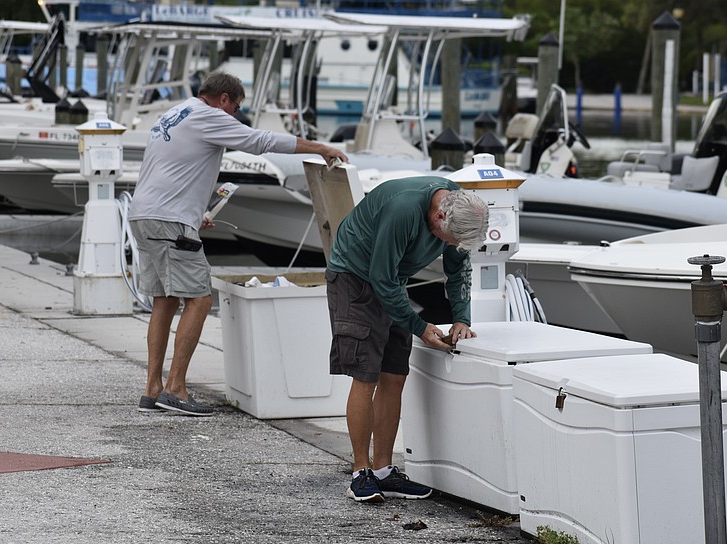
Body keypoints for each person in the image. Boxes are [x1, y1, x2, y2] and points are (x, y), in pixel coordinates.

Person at [130, 71, 348, 416]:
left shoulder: (174, 113)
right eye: (236, 108)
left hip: (145, 215)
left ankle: (152, 387)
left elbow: (170, 170)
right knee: (199, 299)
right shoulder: (210, 115)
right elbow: (260, 141)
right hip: (168, 220)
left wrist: (195, 211)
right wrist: (319, 147)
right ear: (224, 99)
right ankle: (175, 388)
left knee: (165, 300)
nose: (233, 116)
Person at [325, 175, 489, 502]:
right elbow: (380, 277)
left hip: (392, 279)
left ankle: (384, 471)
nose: (449, 245)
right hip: (355, 276)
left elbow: (458, 271)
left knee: (395, 373)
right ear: (439, 216)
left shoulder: (457, 216)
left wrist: (461, 318)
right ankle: (361, 473)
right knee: (365, 374)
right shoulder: (404, 209)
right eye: (449, 239)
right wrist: (421, 326)